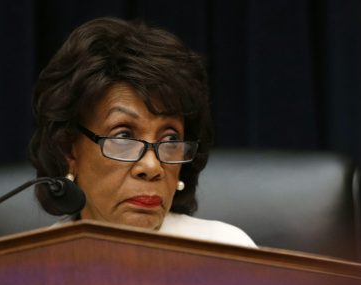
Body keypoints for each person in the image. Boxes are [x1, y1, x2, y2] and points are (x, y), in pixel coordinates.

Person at [28, 17, 256, 248]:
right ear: (69, 150)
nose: (152, 167)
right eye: (124, 136)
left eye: (170, 139)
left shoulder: (227, 252)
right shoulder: (33, 269)